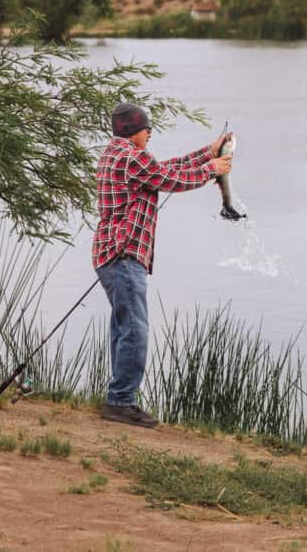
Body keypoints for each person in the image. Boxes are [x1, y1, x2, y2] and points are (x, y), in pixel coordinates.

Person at [92, 103, 233, 428]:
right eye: (146, 127)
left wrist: (206, 154)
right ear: (133, 131)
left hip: (111, 254)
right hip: (123, 255)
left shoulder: (119, 153)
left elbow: (163, 169)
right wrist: (212, 169)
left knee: (123, 328)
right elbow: (168, 178)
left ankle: (119, 398)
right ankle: (121, 403)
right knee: (135, 330)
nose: (150, 132)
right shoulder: (130, 155)